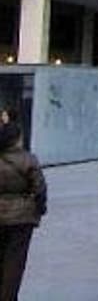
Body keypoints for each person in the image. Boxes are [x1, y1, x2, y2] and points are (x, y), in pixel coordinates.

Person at [0, 121, 44, 300]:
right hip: (21, 218)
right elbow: (39, 189)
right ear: (17, 139)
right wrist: (39, 209)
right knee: (15, 261)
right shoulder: (28, 159)